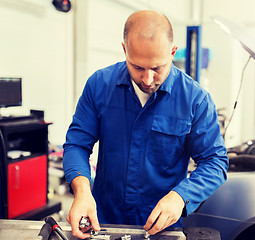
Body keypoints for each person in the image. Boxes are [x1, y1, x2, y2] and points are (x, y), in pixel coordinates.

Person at [63, 10, 229, 239]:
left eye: (157, 68)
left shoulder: (195, 99)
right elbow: (77, 144)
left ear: (172, 53)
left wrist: (181, 196)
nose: (148, 79)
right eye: (138, 67)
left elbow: (215, 161)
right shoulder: (99, 85)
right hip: (104, 219)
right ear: (125, 50)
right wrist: (81, 190)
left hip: (161, 225)